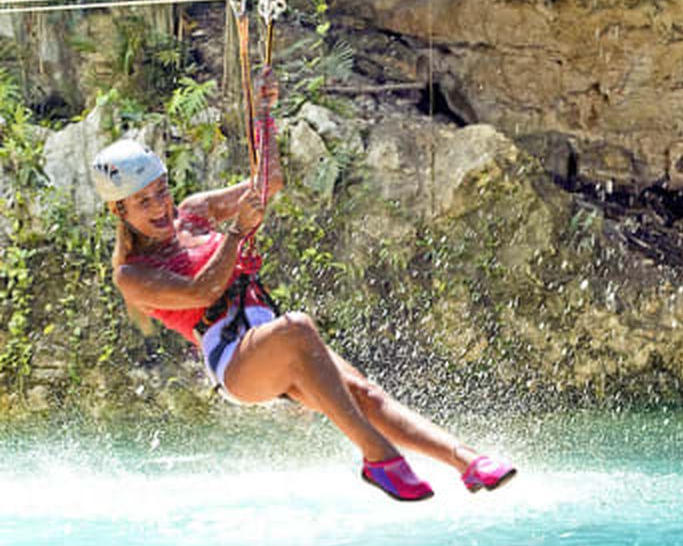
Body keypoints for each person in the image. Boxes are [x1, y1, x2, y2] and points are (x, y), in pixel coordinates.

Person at [90, 79, 515, 502]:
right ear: (119, 211)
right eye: (143, 202)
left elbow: (267, 184)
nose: (160, 207)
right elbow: (202, 291)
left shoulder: (195, 213)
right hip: (235, 361)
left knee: (363, 393)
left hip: (268, 336)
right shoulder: (132, 273)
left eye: (161, 192)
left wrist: (264, 115)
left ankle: (469, 463)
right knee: (296, 326)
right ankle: (377, 456)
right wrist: (237, 234)